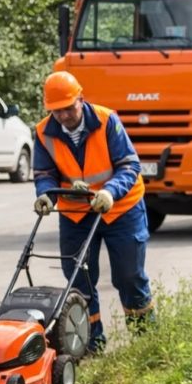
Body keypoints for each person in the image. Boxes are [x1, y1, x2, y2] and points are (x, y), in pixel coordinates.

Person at [32, 71, 155, 353]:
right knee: (79, 279)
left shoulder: (106, 120)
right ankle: (91, 344)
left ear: (81, 99)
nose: (63, 115)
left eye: (68, 108)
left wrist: (110, 191)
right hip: (77, 213)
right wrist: (45, 195)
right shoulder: (43, 132)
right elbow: (44, 172)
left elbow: (129, 165)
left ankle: (146, 341)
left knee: (129, 276)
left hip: (120, 208)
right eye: (56, 110)